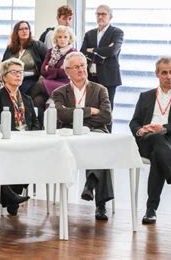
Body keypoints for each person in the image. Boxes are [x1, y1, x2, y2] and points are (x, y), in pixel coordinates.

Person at [129, 56, 171, 225]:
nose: (169, 76)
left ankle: (151, 210)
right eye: (164, 72)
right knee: (156, 140)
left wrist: (164, 128)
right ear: (156, 74)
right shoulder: (146, 96)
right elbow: (134, 122)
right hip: (147, 140)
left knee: (159, 153)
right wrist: (140, 129)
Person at [52, 52, 113, 221]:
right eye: (76, 67)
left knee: (102, 149)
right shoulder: (59, 92)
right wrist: (89, 111)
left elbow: (106, 117)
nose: (81, 69)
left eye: (83, 66)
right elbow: (61, 115)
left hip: (95, 132)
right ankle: (92, 185)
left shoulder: (100, 89)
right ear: (67, 71)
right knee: (99, 152)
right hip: (69, 135)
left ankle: (99, 203)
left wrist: (74, 114)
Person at [0, 58, 38, 216]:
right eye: (14, 72)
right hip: (7, 139)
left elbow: (36, 124)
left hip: (27, 141)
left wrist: (31, 137)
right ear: (4, 76)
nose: (19, 75)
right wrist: (16, 134)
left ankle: (12, 195)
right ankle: (10, 196)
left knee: (36, 158)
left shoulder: (27, 99)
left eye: (21, 72)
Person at [80, 4, 124, 126]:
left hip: (109, 77)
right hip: (91, 76)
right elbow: (82, 53)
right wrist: (101, 52)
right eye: (98, 14)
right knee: (91, 108)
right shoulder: (90, 34)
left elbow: (112, 51)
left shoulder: (116, 32)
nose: (100, 17)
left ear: (110, 16)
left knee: (106, 110)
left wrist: (92, 50)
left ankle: (107, 136)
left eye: (103, 14)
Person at [2, 20, 47, 95]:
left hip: (31, 79)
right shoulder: (10, 48)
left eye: (26, 29)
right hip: (12, 79)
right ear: (16, 32)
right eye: (21, 29)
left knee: (21, 92)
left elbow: (47, 60)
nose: (24, 31)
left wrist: (43, 76)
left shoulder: (37, 46)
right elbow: (4, 64)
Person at [40, 25, 77, 97]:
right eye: (59, 37)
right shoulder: (51, 51)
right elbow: (43, 71)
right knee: (38, 99)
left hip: (65, 84)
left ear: (70, 38)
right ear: (56, 39)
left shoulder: (73, 53)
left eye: (65, 37)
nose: (62, 40)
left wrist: (50, 70)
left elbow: (67, 73)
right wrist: (58, 70)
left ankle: (19, 107)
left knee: (39, 85)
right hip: (50, 81)